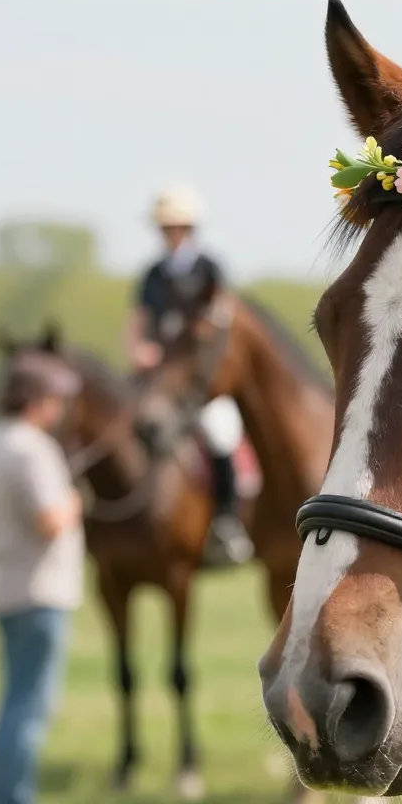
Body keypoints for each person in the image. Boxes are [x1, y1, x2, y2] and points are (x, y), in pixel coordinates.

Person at [0, 349, 84, 804]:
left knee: (14, 703)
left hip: (6, 588)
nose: (59, 407)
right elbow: (49, 521)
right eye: (55, 398)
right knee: (28, 709)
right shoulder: (31, 449)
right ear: (37, 399)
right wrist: (74, 502)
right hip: (38, 593)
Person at [130, 186, 252, 565]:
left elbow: (222, 322)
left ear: (190, 228)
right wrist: (139, 349)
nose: (171, 234)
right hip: (161, 378)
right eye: (165, 227)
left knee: (221, 433)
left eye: (177, 226)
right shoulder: (152, 275)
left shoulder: (209, 270)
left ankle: (226, 521)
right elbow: (138, 322)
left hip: (198, 382)